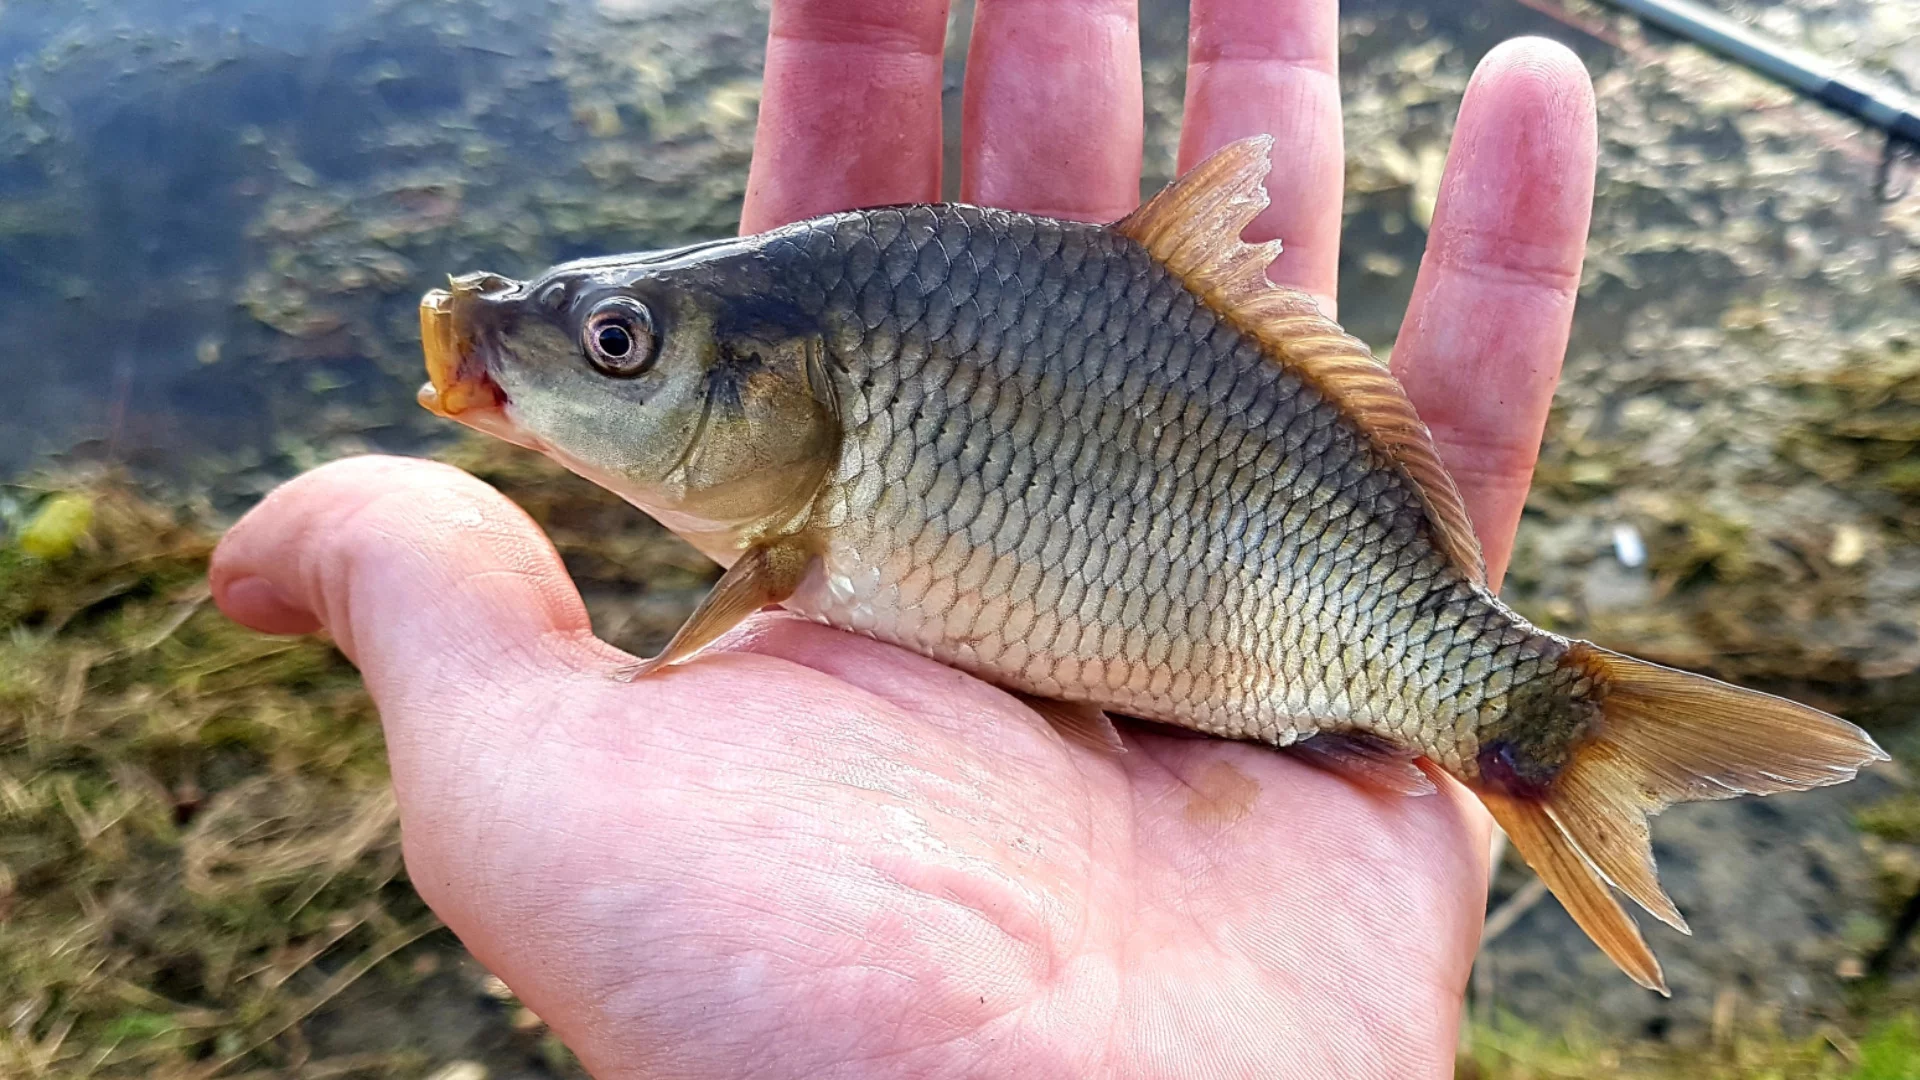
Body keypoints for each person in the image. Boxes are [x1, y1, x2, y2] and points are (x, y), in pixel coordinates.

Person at [210, 1, 1598, 1075]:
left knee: (1463, 689)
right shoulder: (803, 444)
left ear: (787, 387)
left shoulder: (779, 536)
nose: (575, 360)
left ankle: (1537, 721)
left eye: (619, 343)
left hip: (1285, 617)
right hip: (1238, 642)